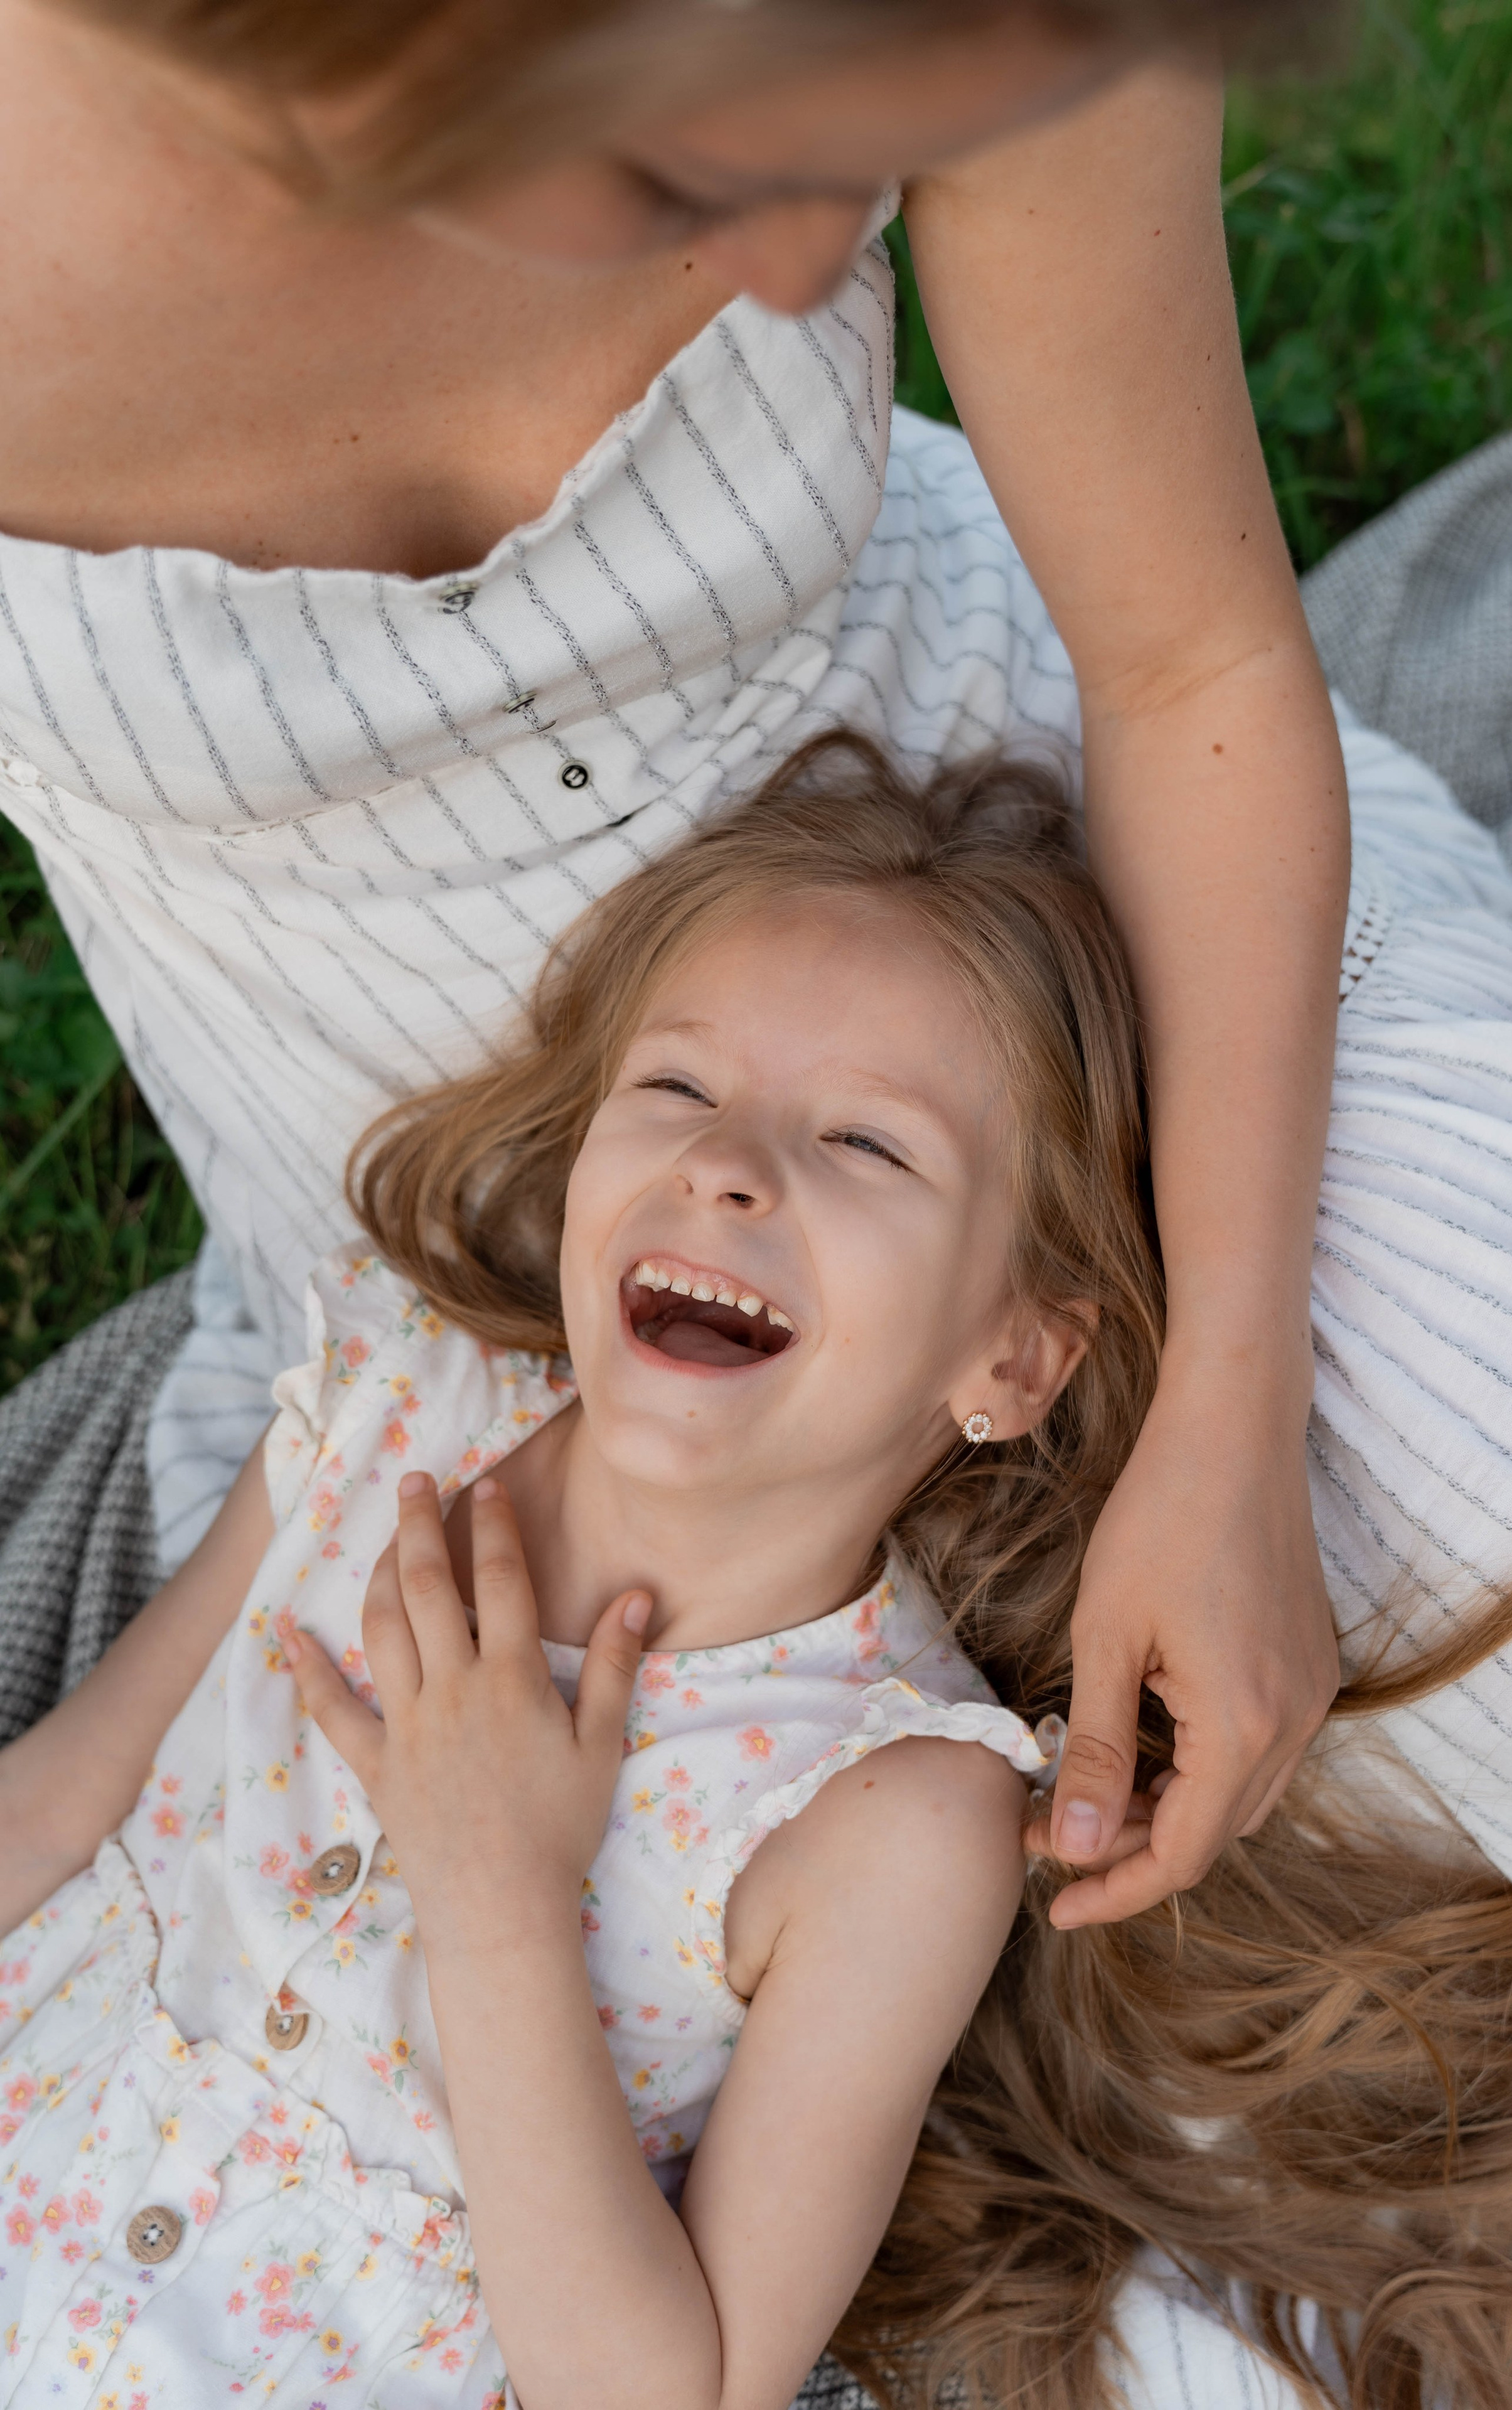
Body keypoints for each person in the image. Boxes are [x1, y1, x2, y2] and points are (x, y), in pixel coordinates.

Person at [6, 727, 1512, 2410]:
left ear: (1012, 1358)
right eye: (681, 1090)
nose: (730, 1162)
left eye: (866, 1147)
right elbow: (65, 1803)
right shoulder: (397, 1408)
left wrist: (496, 1897)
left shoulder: (893, 1811)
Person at [0, 0, 1349, 1926]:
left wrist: (1230, 1404)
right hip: (441, 1271)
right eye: (717, 146)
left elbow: (1192, 672)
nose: (819, 261)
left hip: (1056, 869)